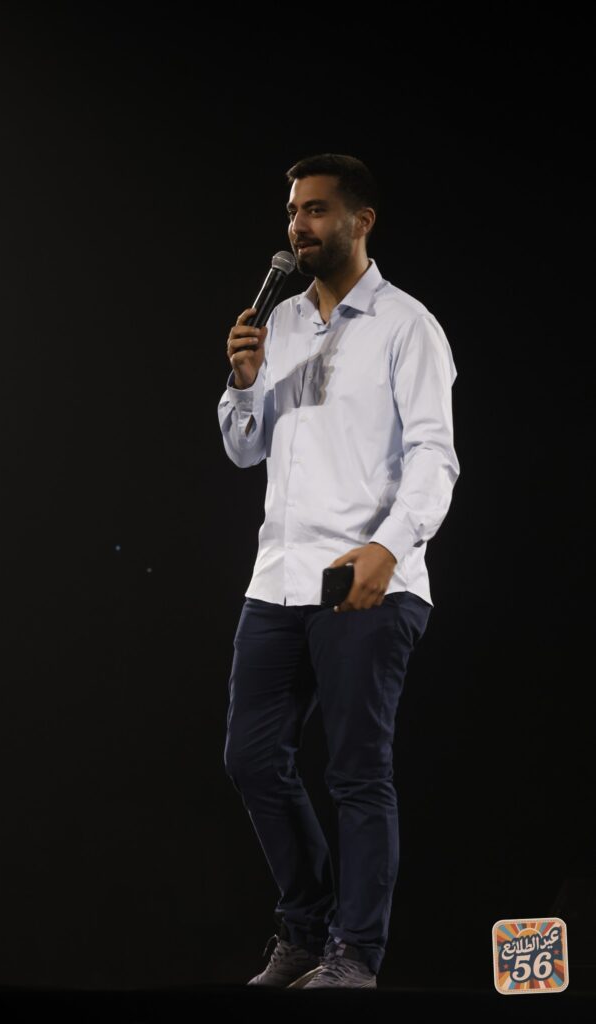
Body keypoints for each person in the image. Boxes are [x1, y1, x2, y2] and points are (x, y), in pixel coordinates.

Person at [217, 153, 460, 989]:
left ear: (362, 221)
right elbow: (243, 448)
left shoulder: (406, 326)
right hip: (278, 580)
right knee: (251, 759)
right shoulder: (278, 323)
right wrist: (242, 384)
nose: (298, 226)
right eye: (293, 211)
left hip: (366, 579)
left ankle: (353, 954)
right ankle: (305, 925)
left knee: (356, 772)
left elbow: (435, 456)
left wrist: (389, 547)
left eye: (316, 210)